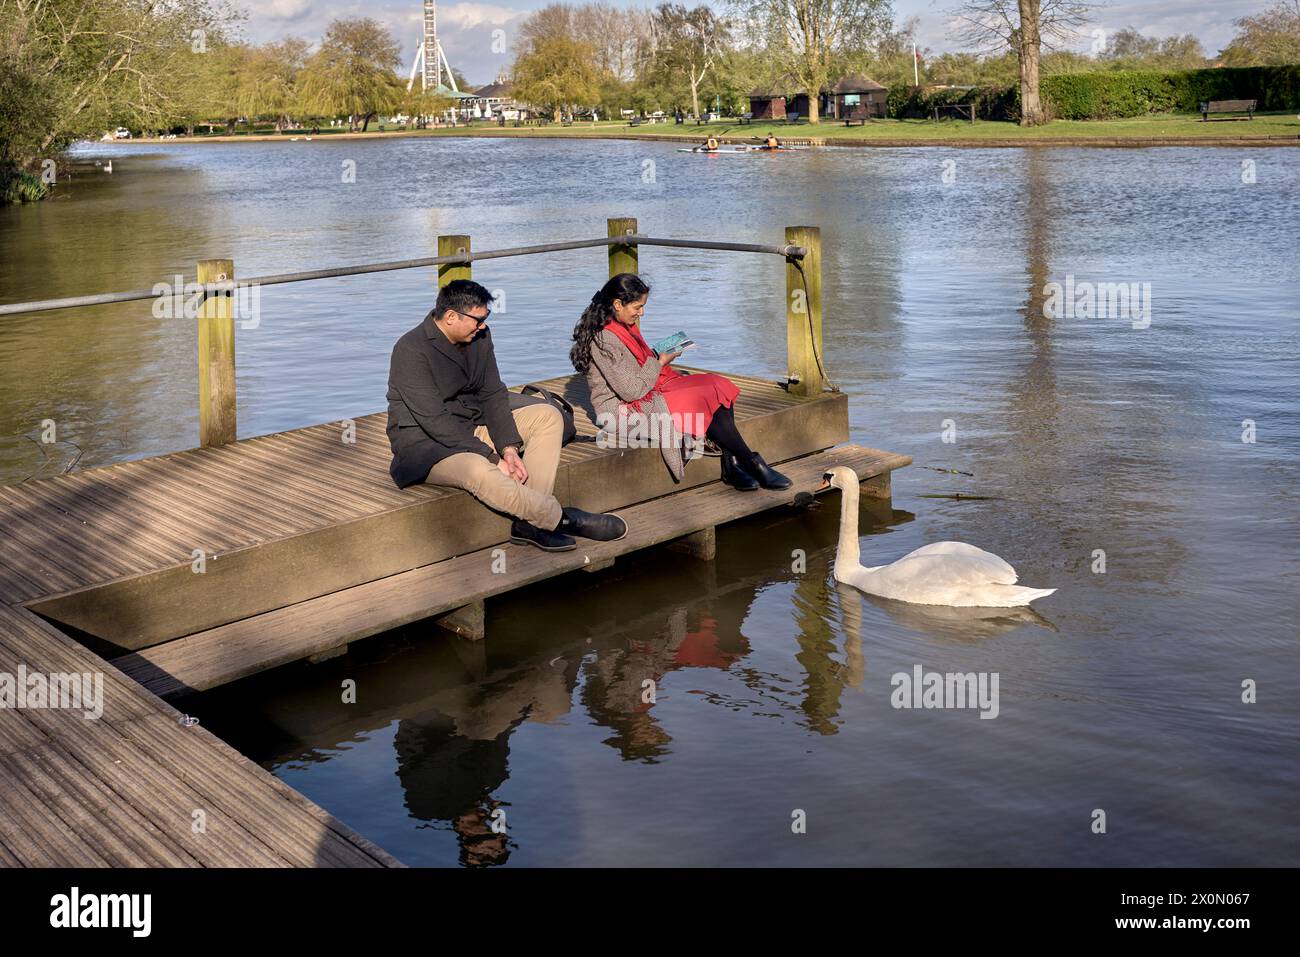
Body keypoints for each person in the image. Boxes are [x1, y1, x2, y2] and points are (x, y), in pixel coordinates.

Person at [386, 279, 626, 551]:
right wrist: (492, 457)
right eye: (478, 320)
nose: (483, 326)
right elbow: (434, 420)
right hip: (428, 447)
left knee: (548, 415)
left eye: (485, 319)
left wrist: (508, 448)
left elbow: (492, 394)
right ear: (451, 316)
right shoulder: (410, 350)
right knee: (479, 469)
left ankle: (529, 525)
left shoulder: (479, 338)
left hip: (471, 426)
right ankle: (562, 519)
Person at [570, 273, 791, 492]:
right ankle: (752, 463)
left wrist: (659, 355)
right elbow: (631, 391)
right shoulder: (604, 338)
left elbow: (635, 367)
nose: (642, 313)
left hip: (645, 390)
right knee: (705, 395)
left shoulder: (622, 326)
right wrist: (660, 360)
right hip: (621, 410)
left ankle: (732, 465)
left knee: (716, 384)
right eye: (637, 307)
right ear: (617, 304)